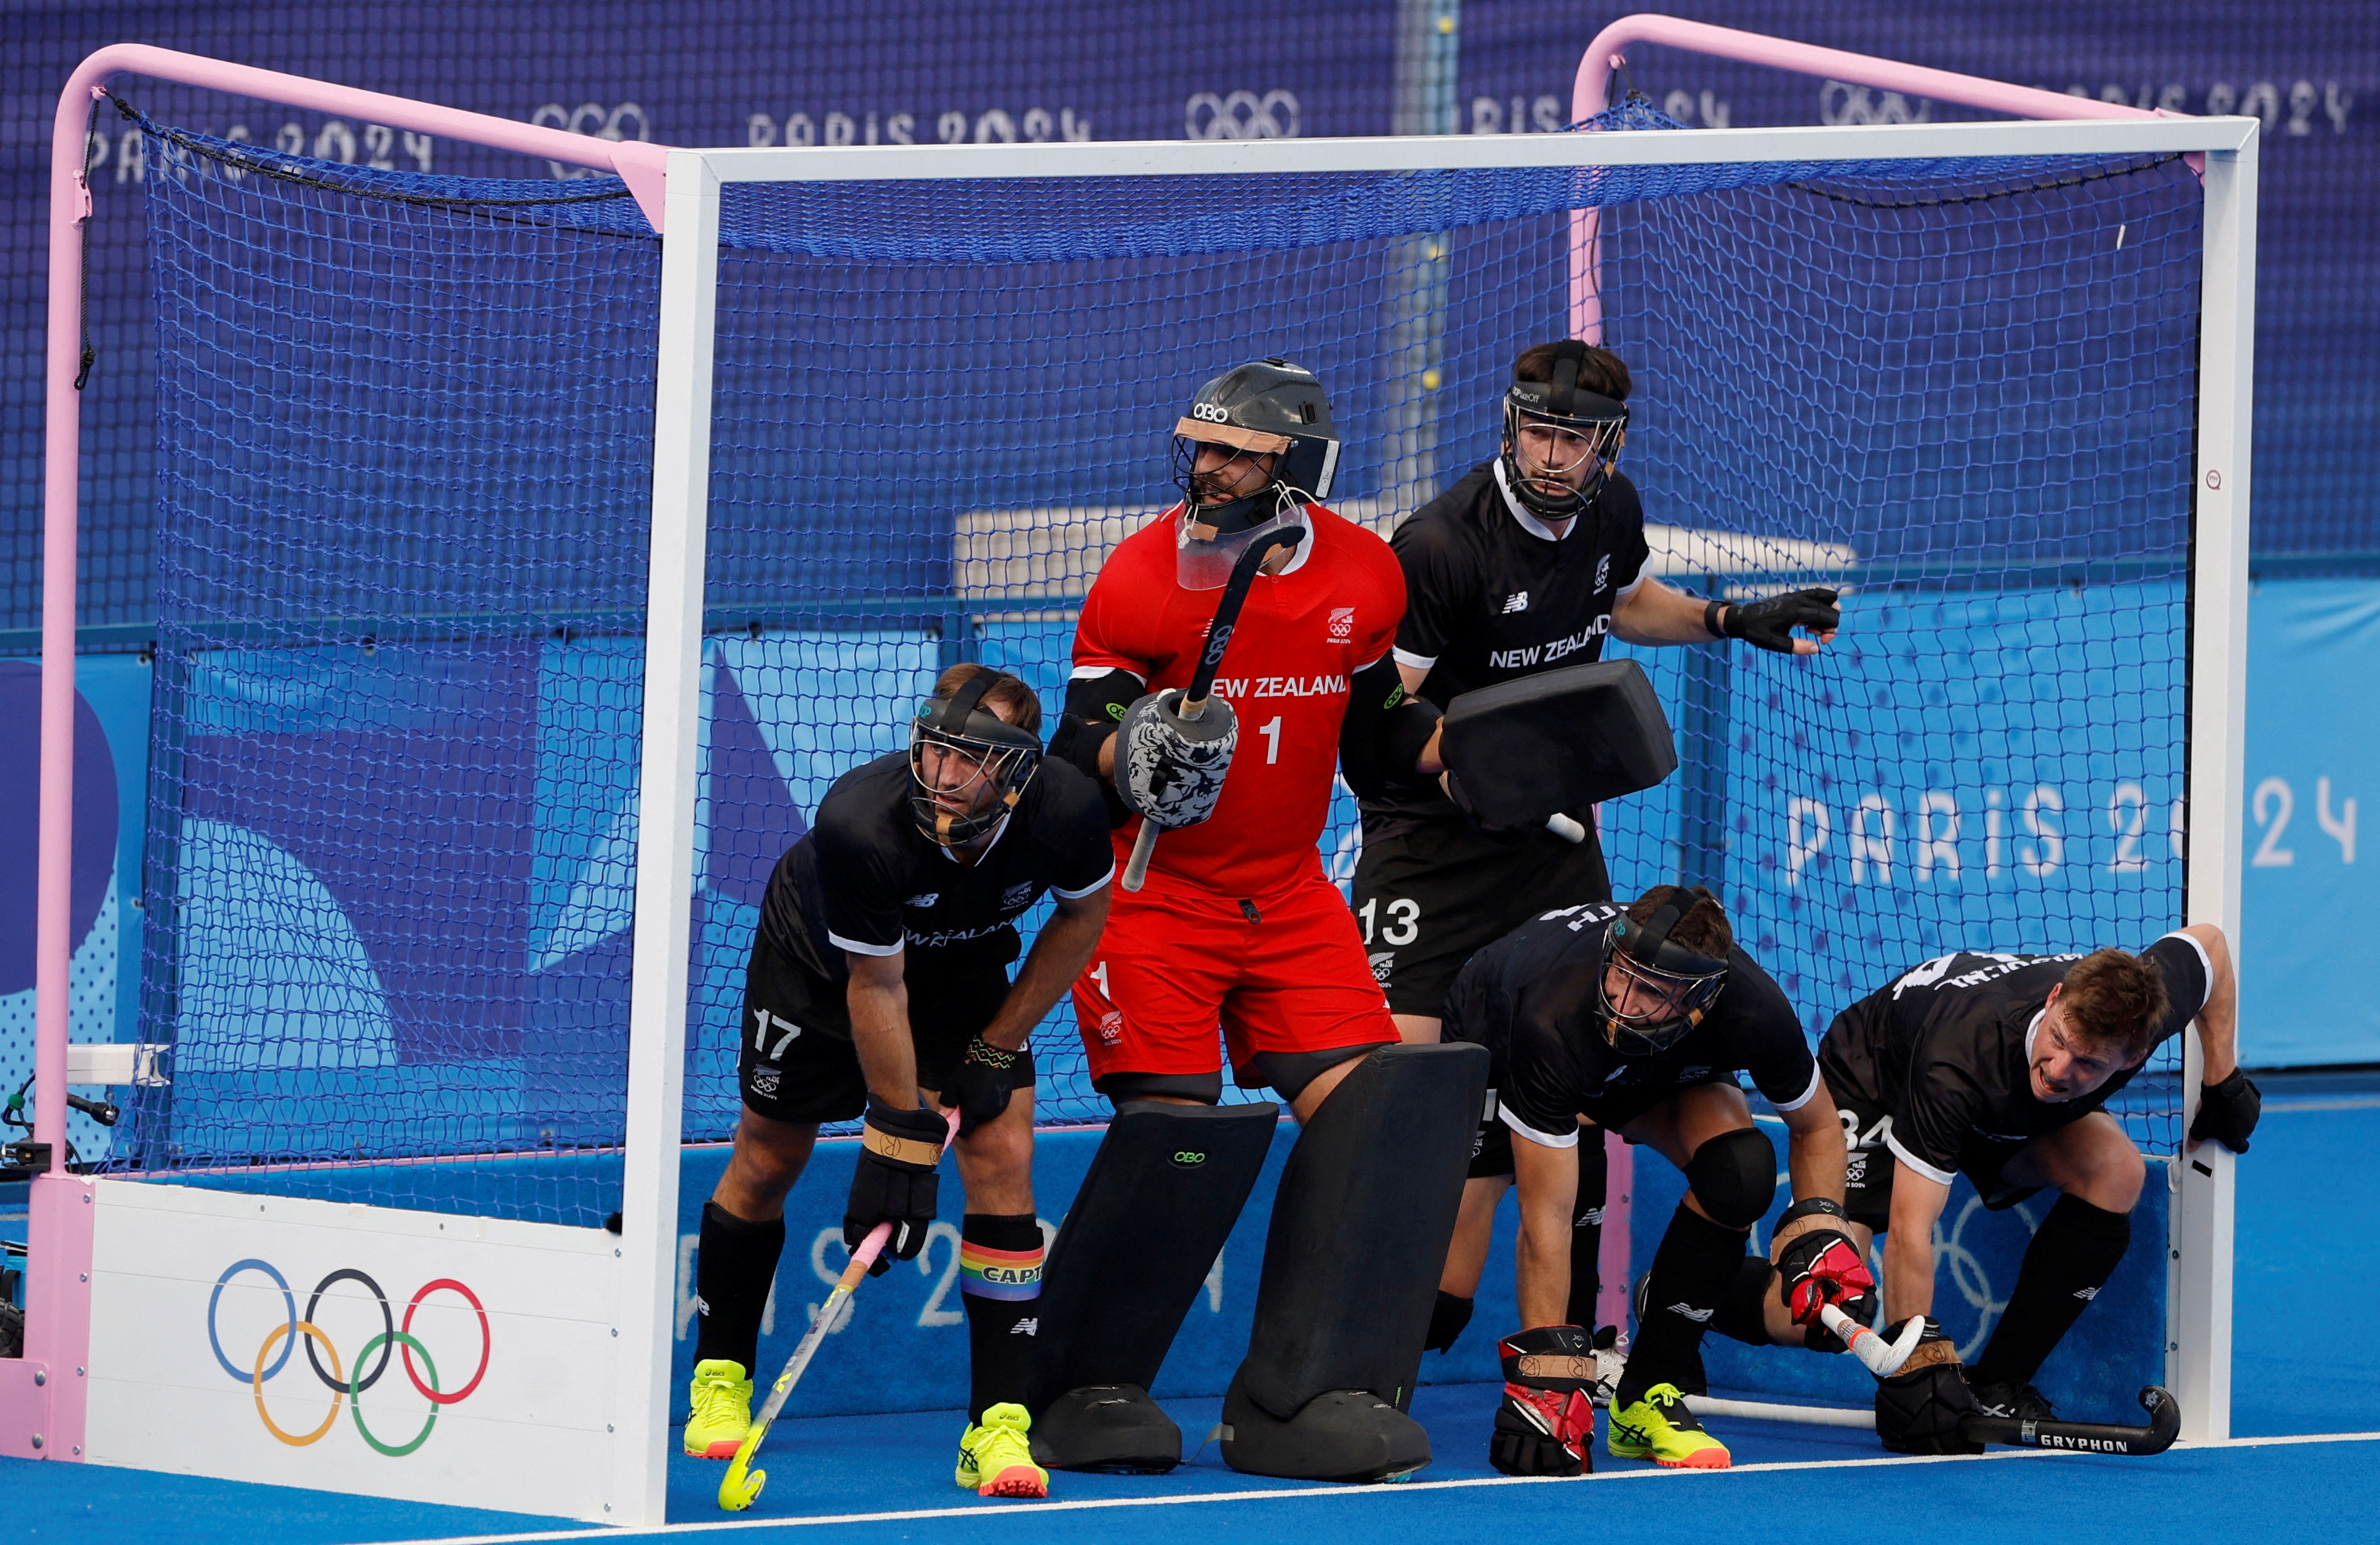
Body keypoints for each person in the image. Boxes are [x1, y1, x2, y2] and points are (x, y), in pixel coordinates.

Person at [1029, 358, 1487, 1483]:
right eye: (1202, 446)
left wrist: (1480, 750)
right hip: (1154, 899)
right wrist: (1130, 754)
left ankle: (1295, 1396)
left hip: (1287, 897)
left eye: (1235, 450)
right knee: (1178, 1137)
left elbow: (1380, 730)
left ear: (1301, 468)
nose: (1209, 466)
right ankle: (1085, 1387)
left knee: (1376, 1124)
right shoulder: (1141, 576)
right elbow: (1075, 738)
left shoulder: (1367, 574)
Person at [1355, 340, 1840, 1336]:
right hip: (1430, 848)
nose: (1551, 455)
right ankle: (1357, 1353)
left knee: (1568, 1075)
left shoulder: (1613, 512)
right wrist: (1489, 760)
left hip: (1553, 843)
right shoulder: (1440, 547)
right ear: (1510, 425)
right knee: (1398, 1103)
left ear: (1607, 447)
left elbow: (1625, 605)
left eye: (1573, 440)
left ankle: (1581, 1351)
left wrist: (1727, 616)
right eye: (1538, 432)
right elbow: (1378, 726)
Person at [680, 664, 1114, 1500]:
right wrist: (896, 1137)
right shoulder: (860, 822)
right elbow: (876, 986)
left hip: (962, 978)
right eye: (933, 749)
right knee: (768, 1159)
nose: (943, 776)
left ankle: (998, 1425)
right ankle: (720, 1377)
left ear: (1018, 770)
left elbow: (1083, 915)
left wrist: (995, 1050)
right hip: (820, 971)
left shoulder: (1064, 812)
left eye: (970, 759)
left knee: (1003, 1158)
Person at [1441, 886, 1870, 1474]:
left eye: (1651, 991)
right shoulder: (1552, 1015)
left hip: (1654, 1066)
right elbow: (1546, 1216)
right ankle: (1354, 1378)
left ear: (1702, 997)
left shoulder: (1755, 1012)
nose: (1622, 999)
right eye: (1621, 974)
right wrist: (1544, 1379)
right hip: (1499, 1042)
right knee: (1443, 1302)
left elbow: (1818, 1126)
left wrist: (1821, 1228)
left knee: (1740, 1173)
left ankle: (1645, 1397)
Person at [1818, 924, 2255, 1452]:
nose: (2059, 1070)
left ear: (2134, 1057)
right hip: (1876, 1076)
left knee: (2117, 1171)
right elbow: (1913, 1228)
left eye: (2090, 1064)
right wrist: (1914, 1374)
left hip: (1994, 1102)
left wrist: (2222, 1079)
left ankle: (1998, 1385)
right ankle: (1692, 1311)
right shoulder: (1956, 1059)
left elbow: (2209, 945)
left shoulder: (2143, 1012)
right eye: (2060, 1040)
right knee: (1836, 1295)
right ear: (2054, 999)